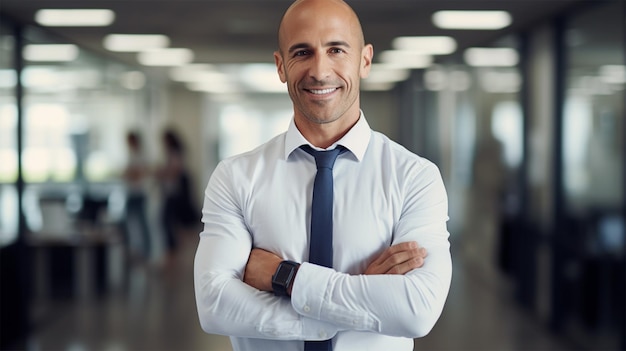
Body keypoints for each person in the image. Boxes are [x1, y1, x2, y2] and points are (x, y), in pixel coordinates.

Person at [194, 1, 452, 350]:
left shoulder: (414, 178)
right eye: (302, 52)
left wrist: (283, 276)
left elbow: (417, 311)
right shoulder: (235, 177)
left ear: (365, 60)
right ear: (280, 66)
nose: (319, 70)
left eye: (336, 50)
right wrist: (354, 296)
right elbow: (215, 305)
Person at [158, 129, 197, 256]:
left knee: (167, 220)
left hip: (173, 193)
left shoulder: (174, 153)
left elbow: (175, 171)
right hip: (171, 192)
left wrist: (161, 173)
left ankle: (173, 249)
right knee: (169, 221)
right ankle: (173, 248)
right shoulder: (171, 153)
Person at [123, 131, 152, 260]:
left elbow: (137, 174)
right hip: (131, 193)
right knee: (129, 223)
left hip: (138, 194)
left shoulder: (140, 156)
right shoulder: (131, 155)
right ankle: (132, 249)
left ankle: (146, 252)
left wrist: (129, 174)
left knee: (142, 223)